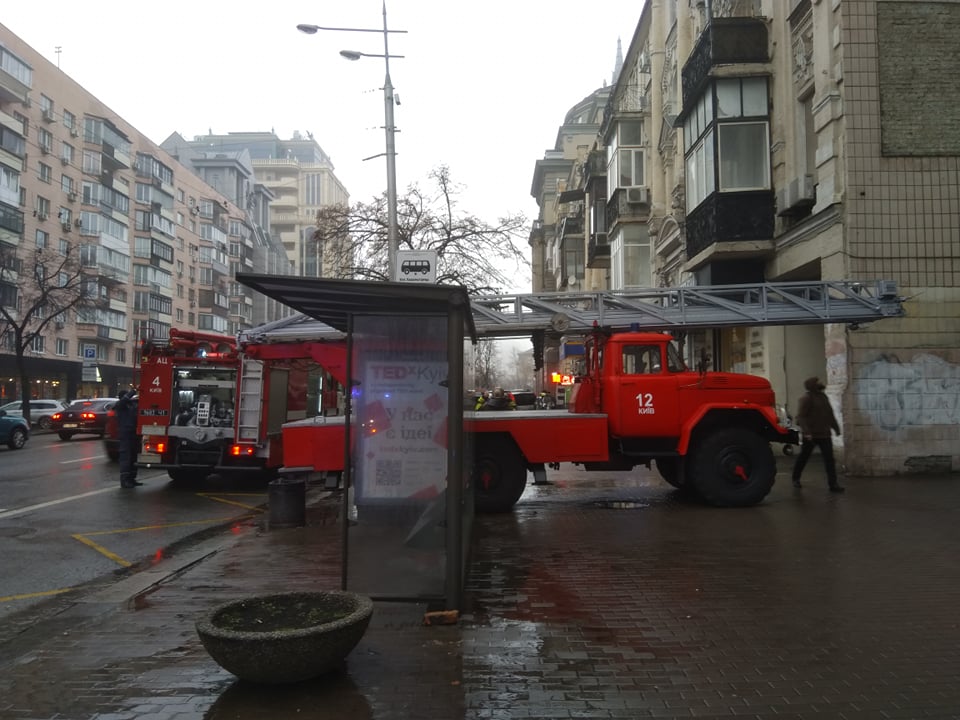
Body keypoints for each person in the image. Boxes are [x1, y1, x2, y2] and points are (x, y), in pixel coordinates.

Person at [791, 376, 844, 493]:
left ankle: (833, 484)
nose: (820, 383)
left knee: (829, 459)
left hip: (825, 434)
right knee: (804, 457)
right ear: (812, 385)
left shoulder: (823, 397)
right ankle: (795, 478)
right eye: (817, 382)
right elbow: (801, 417)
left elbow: (829, 414)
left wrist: (836, 428)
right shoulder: (806, 398)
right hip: (811, 436)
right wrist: (807, 432)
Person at [115, 390, 142, 488]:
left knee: (133, 457)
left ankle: (132, 479)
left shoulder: (131, 406)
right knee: (126, 458)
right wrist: (133, 391)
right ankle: (125, 481)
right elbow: (124, 400)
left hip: (134, 434)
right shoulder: (120, 406)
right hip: (125, 434)